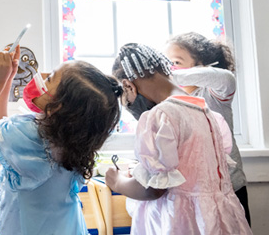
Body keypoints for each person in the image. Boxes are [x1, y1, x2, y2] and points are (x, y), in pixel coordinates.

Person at [0, 47, 121, 234]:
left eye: (50, 78)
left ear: (58, 106)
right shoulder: (76, 139)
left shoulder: (30, 134)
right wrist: (9, 78)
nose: (43, 74)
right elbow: (1, 128)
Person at [106, 43, 251, 234]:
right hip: (219, 220)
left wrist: (117, 182)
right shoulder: (208, 113)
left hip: (180, 223)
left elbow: (153, 190)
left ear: (128, 85)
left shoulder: (160, 116)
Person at [165, 32, 250, 225]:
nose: (169, 68)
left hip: (229, 191)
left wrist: (165, 76)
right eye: (166, 63)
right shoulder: (169, 101)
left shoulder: (213, 95)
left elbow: (225, 78)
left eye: (176, 62)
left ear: (201, 67)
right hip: (194, 194)